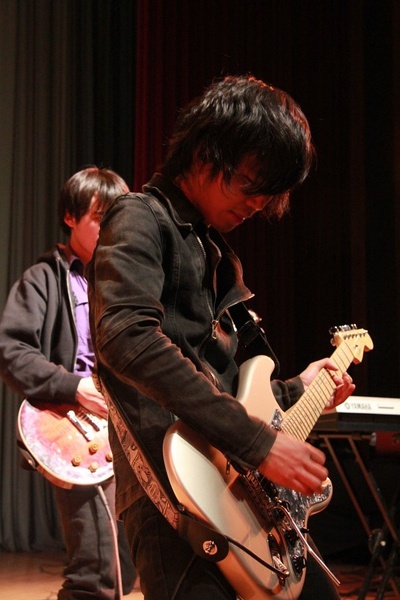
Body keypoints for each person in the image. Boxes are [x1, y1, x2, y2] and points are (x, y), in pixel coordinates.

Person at [87, 76, 356, 600]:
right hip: (175, 493)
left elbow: (224, 388)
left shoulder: (216, 253)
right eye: (250, 183)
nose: (258, 204)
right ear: (206, 152)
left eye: (269, 193)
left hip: (235, 498)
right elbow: (126, 337)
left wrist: (295, 391)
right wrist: (258, 444)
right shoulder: (139, 217)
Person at [0, 167, 136, 599]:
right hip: (77, 429)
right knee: (97, 573)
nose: (110, 227)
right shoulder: (42, 278)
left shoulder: (127, 281)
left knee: (129, 566)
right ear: (70, 217)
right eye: (99, 217)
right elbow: (11, 350)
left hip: (129, 427)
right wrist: (73, 387)